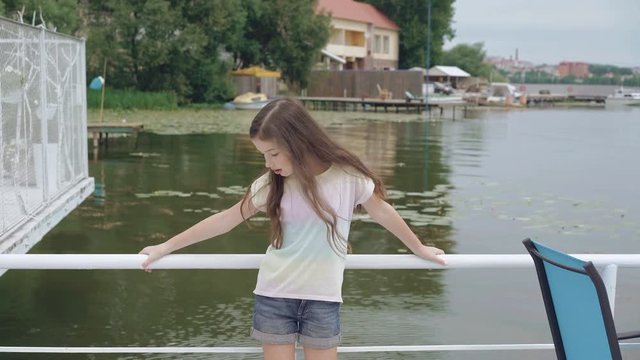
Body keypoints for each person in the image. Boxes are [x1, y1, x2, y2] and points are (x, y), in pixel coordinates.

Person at [139, 98, 446, 360]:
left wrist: (418, 247)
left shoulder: (347, 176)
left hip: (324, 298)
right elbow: (227, 218)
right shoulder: (271, 184)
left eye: (273, 153)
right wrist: (165, 246)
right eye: (263, 155)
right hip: (274, 295)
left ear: (298, 143)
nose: (268, 162)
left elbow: (383, 211)